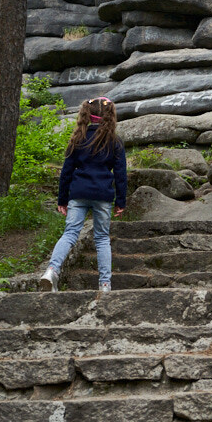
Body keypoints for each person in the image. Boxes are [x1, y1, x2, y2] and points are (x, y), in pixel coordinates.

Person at [39, 96, 127, 293]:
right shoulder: (115, 141)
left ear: (88, 114)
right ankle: (105, 284)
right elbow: (120, 174)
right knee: (102, 238)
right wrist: (121, 201)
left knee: (70, 234)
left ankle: (51, 270)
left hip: (78, 194)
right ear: (109, 116)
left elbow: (66, 172)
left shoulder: (77, 138)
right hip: (103, 196)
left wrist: (62, 199)